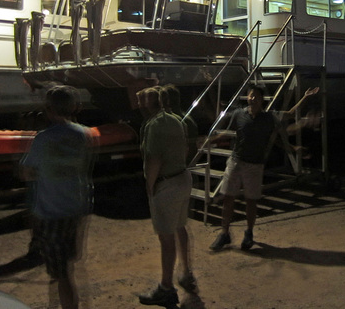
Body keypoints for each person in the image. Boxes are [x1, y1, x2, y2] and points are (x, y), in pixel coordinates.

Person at [210, 84, 319, 252]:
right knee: (228, 197)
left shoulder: (269, 118)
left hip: (255, 165)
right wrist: (212, 139)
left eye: (255, 96)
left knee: (250, 200)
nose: (252, 98)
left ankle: (249, 233)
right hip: (236, 161)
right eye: (250, 95)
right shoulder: (239, 114)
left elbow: (289, 115)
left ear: (261, 100)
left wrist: (305, 96)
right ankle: (224, 233)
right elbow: (225, 128)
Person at [20, 86, 93, 309]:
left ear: (49, 110)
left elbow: (27, 171)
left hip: (51, 211)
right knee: (66, 264)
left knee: (61, 274)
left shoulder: (43, 139)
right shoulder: (84, 134)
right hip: (75, 207)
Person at [136, 87, 196, 307]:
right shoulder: (175, 120)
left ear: (147, 104)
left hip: (167, 184)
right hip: (182, 177)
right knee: (179, 227)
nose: (138, 105)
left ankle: (166, 288)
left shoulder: (153, 126)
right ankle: (185, 272)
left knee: (166, 237)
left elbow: (154, 158)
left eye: (140, 100)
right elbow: (185, 147)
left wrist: (150, 187)